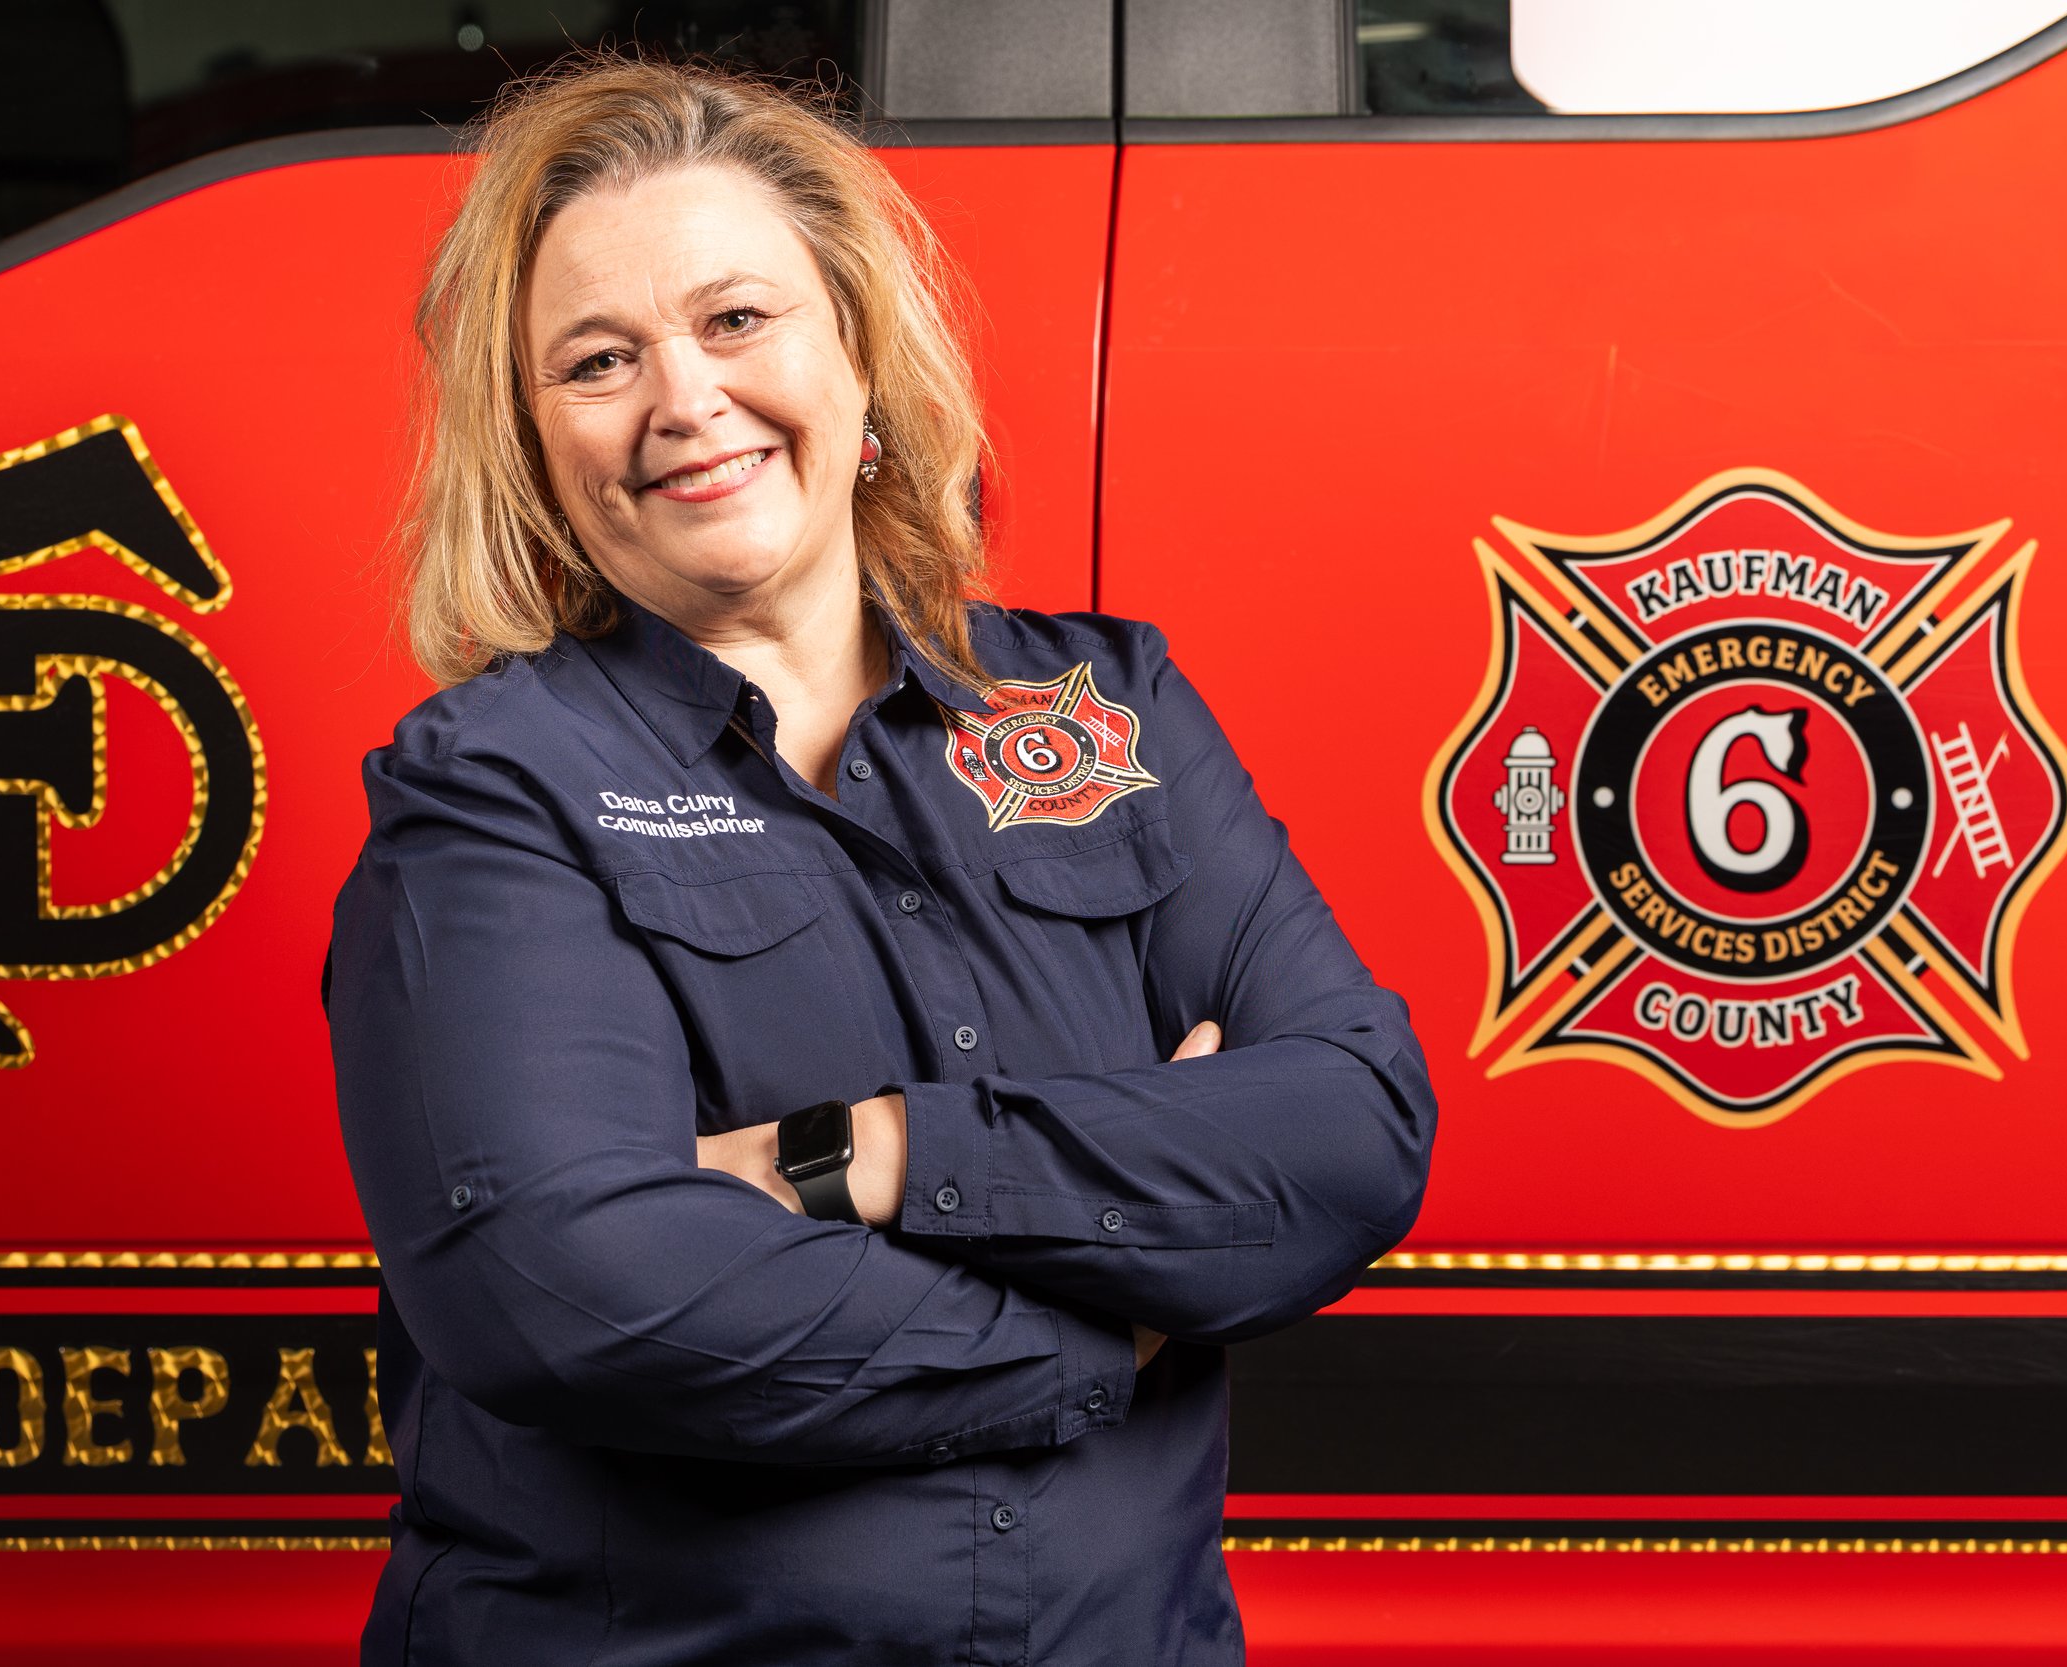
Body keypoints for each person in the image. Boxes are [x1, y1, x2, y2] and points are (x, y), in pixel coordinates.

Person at [325, 54, 1435, 1666]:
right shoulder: (494, 796)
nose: (683, 400)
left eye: (736, 320)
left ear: (860, 360)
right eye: (597, 361)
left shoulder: (1104, 707)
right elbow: (572, 1290)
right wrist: (1111, 1324)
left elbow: (1351, 1128)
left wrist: (869, 1159)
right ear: (537, 448)